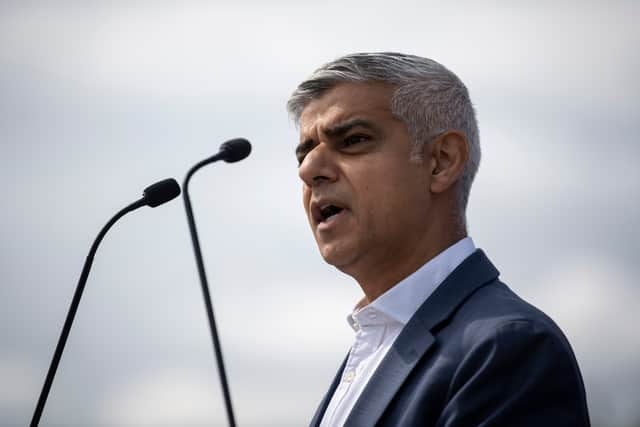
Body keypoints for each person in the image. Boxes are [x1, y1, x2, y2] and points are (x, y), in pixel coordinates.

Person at [286, 52, 590, 427]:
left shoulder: (507, 347)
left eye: (353, 140)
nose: (309, 170)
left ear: (442, 161)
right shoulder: (373, 344)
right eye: (304, 153)